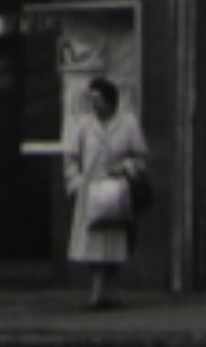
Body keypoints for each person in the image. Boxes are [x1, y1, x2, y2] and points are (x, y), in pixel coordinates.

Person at [63, 75, 149, 309]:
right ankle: (97, 291)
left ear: (111, 101)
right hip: (90, 190)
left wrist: (124, 168)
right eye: (91, 99)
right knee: (93, 242)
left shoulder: (128, 123)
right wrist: (75, 181)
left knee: (115, 241)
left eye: (98, 99)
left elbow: (140, 156)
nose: (94, 104)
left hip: (117, 190)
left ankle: (112, 291)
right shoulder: (83, 124)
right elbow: (71, 157)